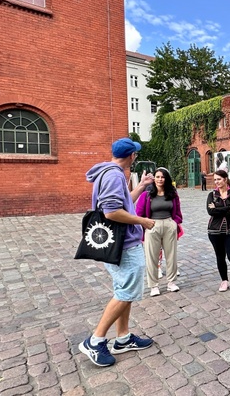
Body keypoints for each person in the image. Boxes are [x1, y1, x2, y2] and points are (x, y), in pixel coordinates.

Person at [79, 137, 155, 367]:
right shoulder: (113, 175)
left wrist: (140, 187)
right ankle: (95, 340)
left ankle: (123, 338)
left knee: (125, 290)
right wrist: (142, 220)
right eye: (136, 155)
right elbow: (112, 212)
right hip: (124, 245)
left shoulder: (108, 172)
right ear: (132, 156)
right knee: (126, 292)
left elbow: (122, 206)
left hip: (119, 243)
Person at [135, 167, 183, 297]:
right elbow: (138, 214)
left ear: (166, 179)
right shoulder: (146, 194)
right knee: (152, 257)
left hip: (169, 224)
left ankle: (171, 282)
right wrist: (145, 223)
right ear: (154, 179)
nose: (160, 179)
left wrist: (174, 222)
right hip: (152, 226)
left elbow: (178, 212)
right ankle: (153, 286)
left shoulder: (172, 194)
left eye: (162, 177)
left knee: (171, 255)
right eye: (157, 177)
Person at [207, 170, 230, 292]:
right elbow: (210, 212)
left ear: (225, 179)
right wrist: (226, 207)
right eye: (215, 180)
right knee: (220, 257)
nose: (216, 182)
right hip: (214, 231)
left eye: (219, 179)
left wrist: (218, 207)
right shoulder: (212, 195)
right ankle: (224, 281)